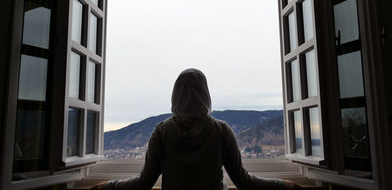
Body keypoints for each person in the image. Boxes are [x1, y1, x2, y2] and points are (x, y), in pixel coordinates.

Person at [94, 68, 300, 190]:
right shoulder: (221, 131)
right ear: (206, 94)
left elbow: (143, 183)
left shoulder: (161, 132)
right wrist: (282, 185)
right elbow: (243, 181)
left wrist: (107, 187)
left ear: (175, 95)